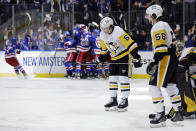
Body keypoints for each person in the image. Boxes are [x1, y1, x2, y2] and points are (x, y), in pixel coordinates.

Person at [145, 5, 184, 127]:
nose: (147, 17)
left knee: (153, 86)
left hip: (165, 59)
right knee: (171, 86)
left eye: (148, 15)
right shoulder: (164, 24)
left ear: (154, 15)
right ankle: (178, 113)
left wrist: (154, 62)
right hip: (171, 58)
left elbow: (161, 49)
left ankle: (160, 114)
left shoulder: (158, 26)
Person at [98, 17, 142, 112]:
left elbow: (131, 44)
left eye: (106, 28)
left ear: (111, 26)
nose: (104, 30)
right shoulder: (102, 34)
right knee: (112, 78)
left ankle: (124, 100)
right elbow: (104, 49)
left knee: (123, 78)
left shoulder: (118, 31)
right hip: (114, 58)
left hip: (125, 56)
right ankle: (113, 99)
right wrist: (101, 59)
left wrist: (136, 56)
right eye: (103, 29)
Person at [177, 46, 196, 118]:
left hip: (188, 71)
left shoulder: (187, 50)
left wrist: (185, 60)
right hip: (190, 72)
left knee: (182, 82)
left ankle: (190, 107)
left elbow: (193, 53)